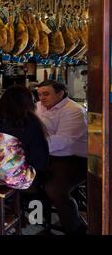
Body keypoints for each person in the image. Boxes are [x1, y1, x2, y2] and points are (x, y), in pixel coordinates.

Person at [36, 80, 88, 235]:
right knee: (30, 181)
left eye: (46, 94)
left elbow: (63, 139)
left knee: (55, 189)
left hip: (75, 159)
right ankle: (38, 220)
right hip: (49, 156)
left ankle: (76, 228)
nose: (42, 98)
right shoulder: (39, 107)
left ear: (60, 93)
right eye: (39, 94)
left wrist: (34, 147)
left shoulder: (73, 110)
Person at [0, 85, 49, 190]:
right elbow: (39, 159)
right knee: (47, 175)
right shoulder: (30, 122)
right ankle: (30, 203)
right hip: (12, 178)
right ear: (28, 103)